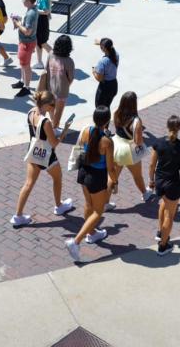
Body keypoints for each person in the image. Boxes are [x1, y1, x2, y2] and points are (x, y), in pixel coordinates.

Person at [12, 90, 75, 227]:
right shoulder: (45, 122)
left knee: (28, 184)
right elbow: (54, 143)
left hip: (33, 153)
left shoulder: (30, 113)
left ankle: (18, 215)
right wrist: (64, 132)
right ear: (46, 105)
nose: (54, 108)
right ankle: (58, 206)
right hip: (47, 156)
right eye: (52, 105)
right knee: (57, 178)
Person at [65, 106, 116, 263]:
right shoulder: (107, 141)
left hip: (83, 171)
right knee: (98, 212)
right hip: (97, 177)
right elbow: (110, 167)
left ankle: (92, 233)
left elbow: (80, 149)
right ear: (107, 121)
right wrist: (114, 181)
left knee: (88, 204)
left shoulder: (86, 130)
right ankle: (75, 242)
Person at [148, 114, 180, 256]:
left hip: (160, 182)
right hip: (173, 185)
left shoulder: (158, 143)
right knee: (170, 214)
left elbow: (152, 165)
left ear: (167, 126)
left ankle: (160, 232)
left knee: (163, 204)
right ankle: (163, 245)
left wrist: (151, 180)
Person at [108, 91, 152, 209]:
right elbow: (138, 141)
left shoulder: (116, 113)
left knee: (113, 176)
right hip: (128, 151)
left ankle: (105, 203)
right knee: (137, 175)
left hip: (115, 146)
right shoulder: (136, 120)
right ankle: (145, 193)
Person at [10, 0, 39, 97]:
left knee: (26, 65)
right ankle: (22, 81)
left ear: (29, 1)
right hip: (25, 42)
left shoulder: (31, 13)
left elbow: (28, 31)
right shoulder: (32, 9)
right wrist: (20, 20)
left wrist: (17, 24)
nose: (22, 1)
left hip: (27, 43)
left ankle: (26, 87)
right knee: (23, 63)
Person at [44, 34, 76, 127]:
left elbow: (46, 70)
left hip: (50, 88)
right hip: (62, 91)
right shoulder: (69, 61)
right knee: (58, 114)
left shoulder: (50, 54)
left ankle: (53, 126)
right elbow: (71, 78)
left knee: (51, 110)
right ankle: (54, 129)